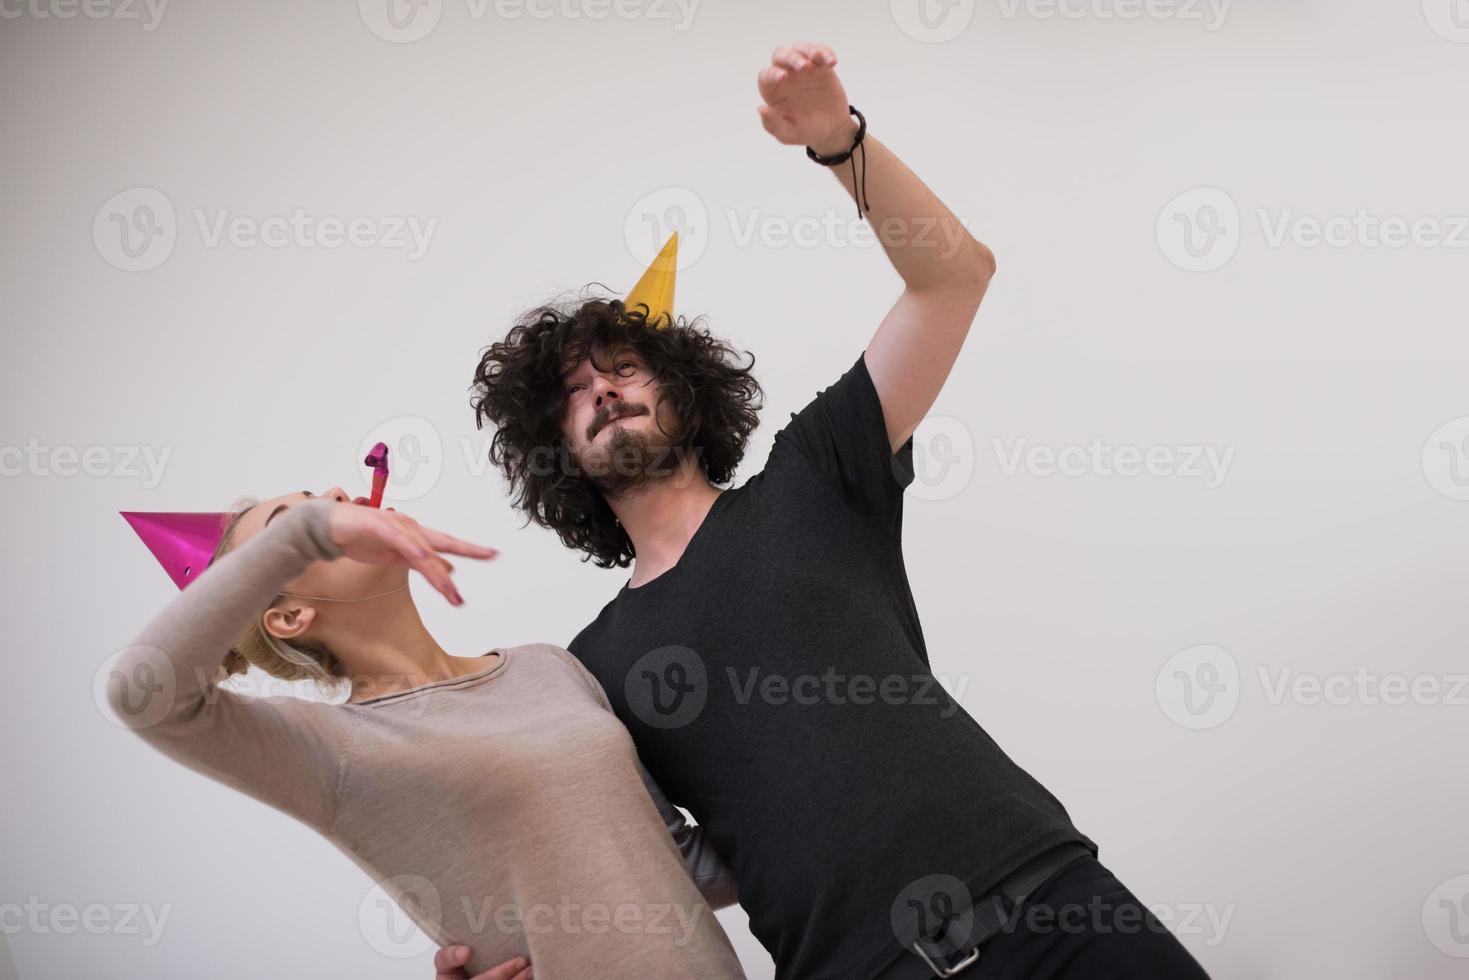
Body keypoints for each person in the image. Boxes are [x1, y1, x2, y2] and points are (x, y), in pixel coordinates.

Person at [455, 41, 1212, 980]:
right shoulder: (587, 670)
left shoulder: (816, 472)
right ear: (555, 447)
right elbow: (652, 872)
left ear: (686, 390)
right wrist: (526, 950)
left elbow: (954, 277)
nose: (603, 392)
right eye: (574, 392)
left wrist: (837, 142)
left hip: (1049, 906)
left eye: (623, 368)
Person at [108, 487, 746, 980]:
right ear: (288, 615)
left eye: (317, 503)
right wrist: (306, 532)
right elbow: (145, 697)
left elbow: (684, 866)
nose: (334, 497)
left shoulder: (547, 666)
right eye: (294, 526)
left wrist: (833, 805)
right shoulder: (335, 749)